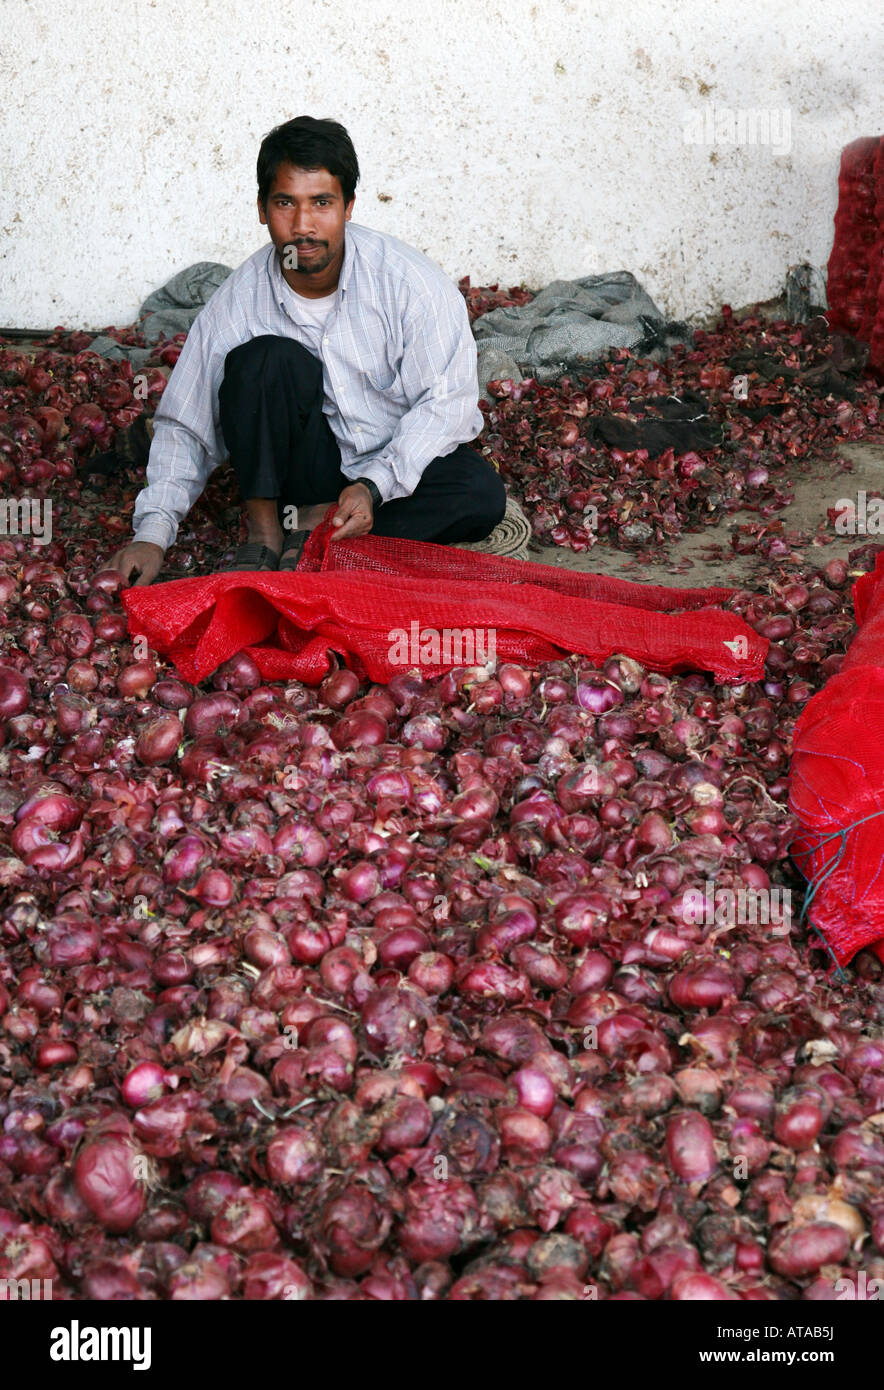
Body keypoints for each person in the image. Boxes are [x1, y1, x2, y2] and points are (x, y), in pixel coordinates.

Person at [109, 115, 506, 584]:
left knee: (479, 495)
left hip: (386, 470)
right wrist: (152, 535)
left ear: (349, 206)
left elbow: (446, 405)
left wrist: (373, 487)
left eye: (321, 203)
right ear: (261, 208)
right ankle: (267, 530)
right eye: (285, 203)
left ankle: (318, 523)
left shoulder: (411, 286)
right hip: (302, 468)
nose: (303, 226)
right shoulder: (238, 301)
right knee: (264, 360)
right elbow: (187, 424)